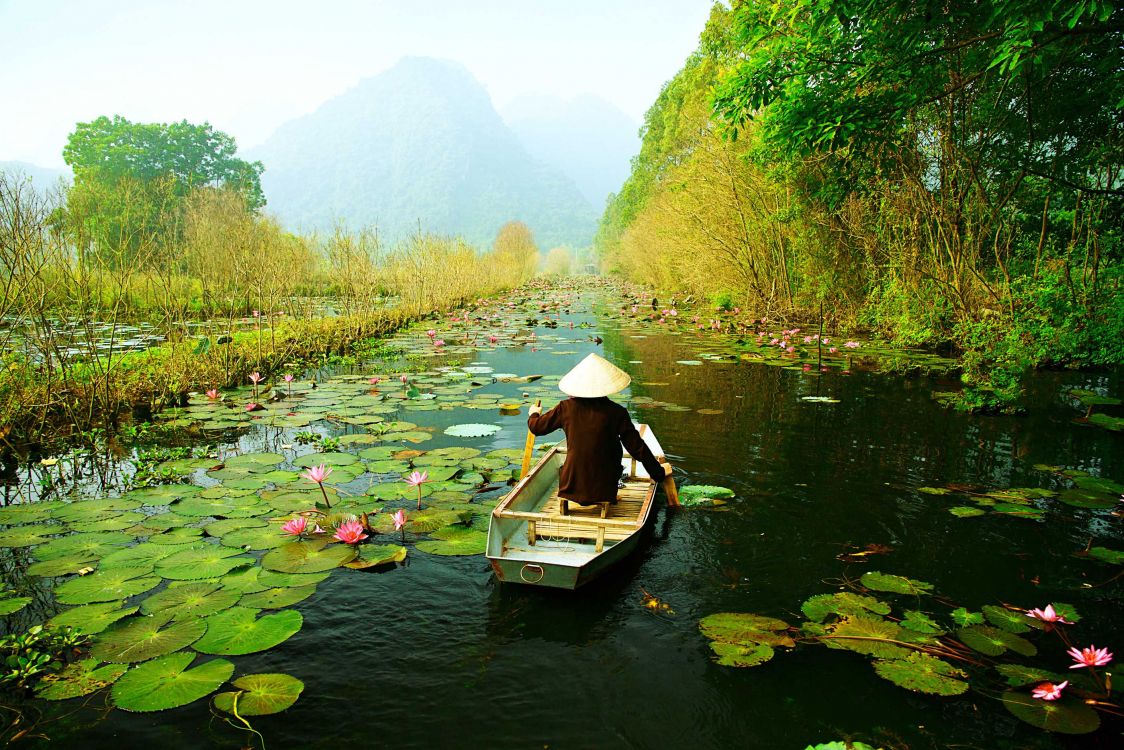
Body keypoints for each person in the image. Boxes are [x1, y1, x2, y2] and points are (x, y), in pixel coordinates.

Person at [528, 353, 672, 513]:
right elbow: (637, 448)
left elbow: (536, 427)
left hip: (571, 484)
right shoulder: (617, 412)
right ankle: (607, 493)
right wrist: (657, 473)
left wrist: (534, 413)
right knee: (613, 452)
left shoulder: (565, 408)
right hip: (604, 487)